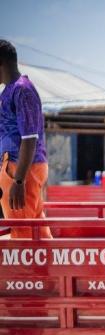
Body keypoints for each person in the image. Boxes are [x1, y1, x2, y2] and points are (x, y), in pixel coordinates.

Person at [0, 40, 51, 239]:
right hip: (14, 168)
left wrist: (19, 181)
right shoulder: (9, 91)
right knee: (34, 229)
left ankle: (35, 271)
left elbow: (29, 139)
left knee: (24, 234)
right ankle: (59, 271)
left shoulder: (22, 90)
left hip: (21, 170)